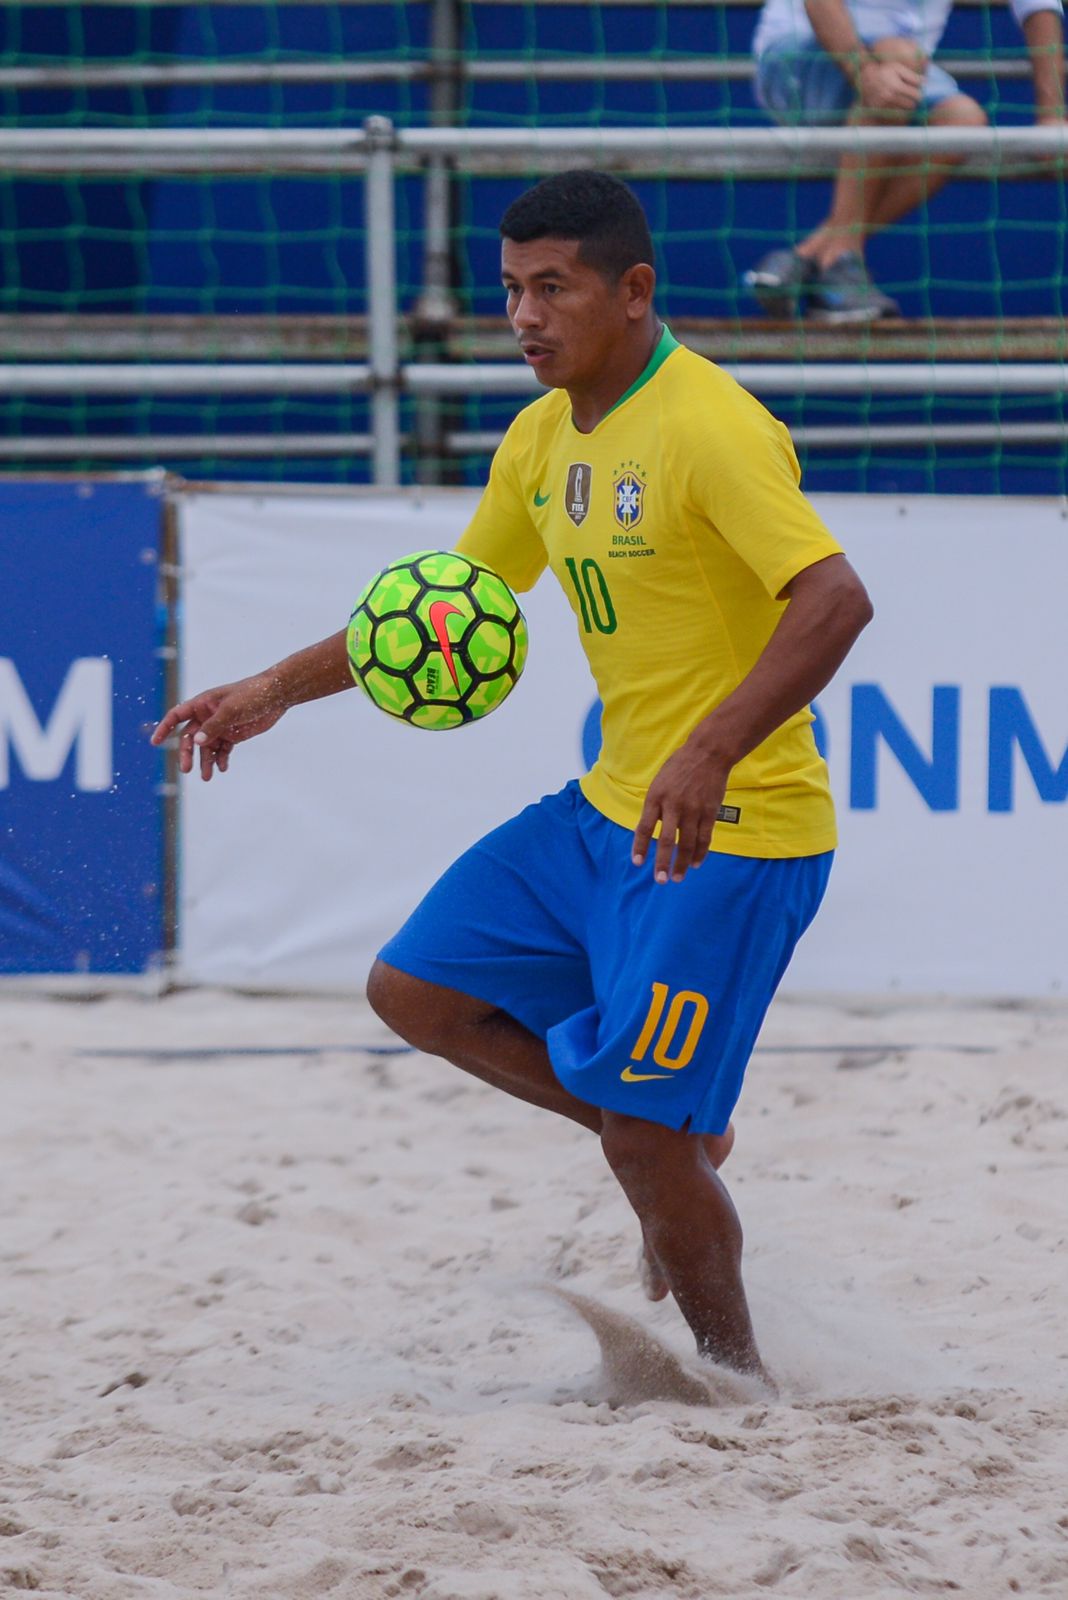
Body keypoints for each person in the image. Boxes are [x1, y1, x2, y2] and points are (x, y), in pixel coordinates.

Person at [152, 171, 873, 1386]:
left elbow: (837, 599)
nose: (525, 316)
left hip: (734, 836)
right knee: (414, 991)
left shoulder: (711, 425)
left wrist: (709, 747)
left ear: (633, 292)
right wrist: (268, 690)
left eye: (554, 288)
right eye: (510, 291)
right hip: (605, 816)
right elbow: (439, 614)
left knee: (648, 1147)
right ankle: (671, 1136)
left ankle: (735, 1386)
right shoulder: (542, 435)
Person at [747, 0, 1066, 321]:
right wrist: (865, 72)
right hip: (795, 59)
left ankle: (809, 257)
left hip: (901, 72)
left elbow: (1038, 4)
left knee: (963, 120)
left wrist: (1051, 116)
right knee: (902, 57)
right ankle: (838, 259)